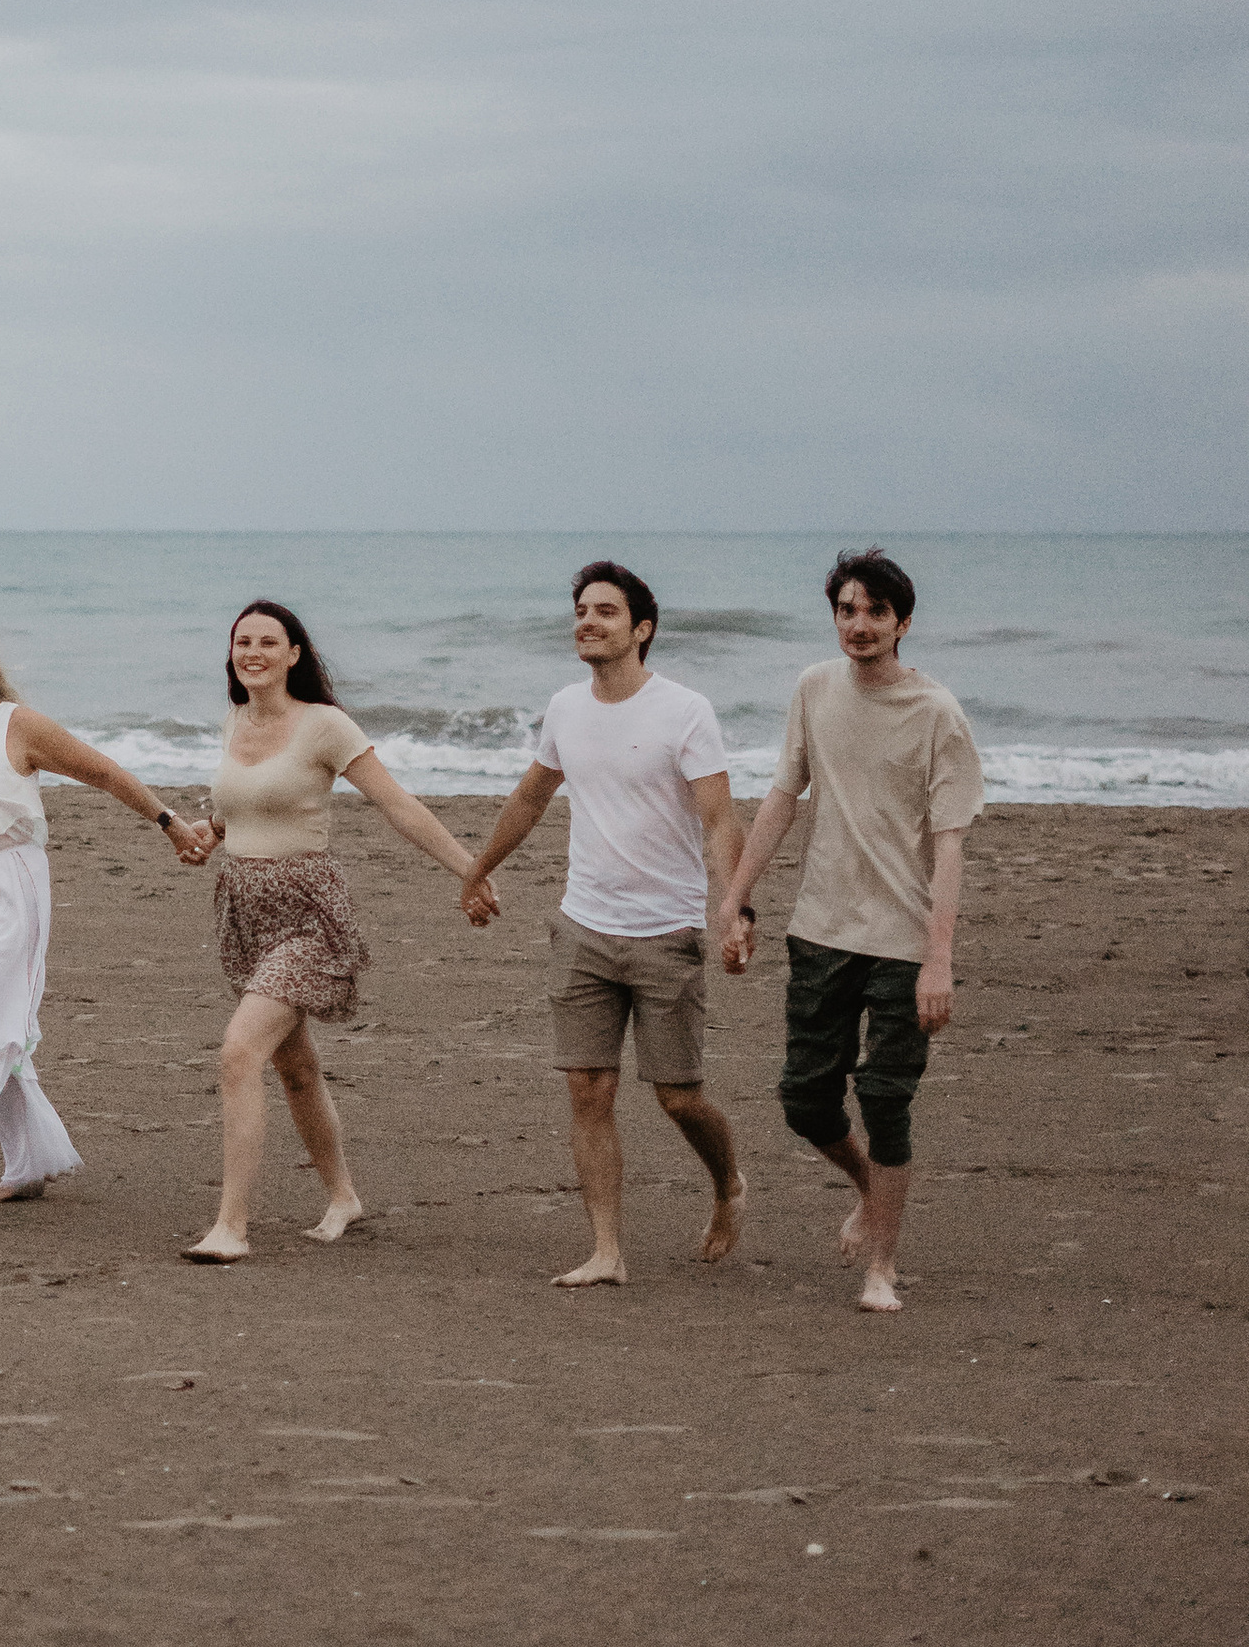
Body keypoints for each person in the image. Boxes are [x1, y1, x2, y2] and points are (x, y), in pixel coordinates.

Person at [182, 600, 499, 1266]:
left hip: (306, 915)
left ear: (294, 654)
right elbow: (233, 806)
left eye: (269, 642)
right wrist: (208, 835)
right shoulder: (234, 719)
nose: (254, 652)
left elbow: (396, 804)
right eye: (243, 642)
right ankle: (343, 1197)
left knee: (240, 1052)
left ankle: (231, 1227)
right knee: (296, 1070)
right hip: (244, 912)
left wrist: (471, 870)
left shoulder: (324, 725)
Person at [465, 562, 749, 1288]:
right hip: (583, 927)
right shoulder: (565, 707)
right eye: (581, 611)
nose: (587, 622)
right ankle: (606, 1251)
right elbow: (532, 798)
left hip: (666, 931)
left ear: (641, 629)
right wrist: (478, 867)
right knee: (588, 1091)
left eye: (606, 612)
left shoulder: (685, 711)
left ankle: (727, 1184)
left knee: (678, 1095)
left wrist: (735, 907)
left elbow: (718, 819)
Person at [717, 547, 983, 1314]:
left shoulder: (938, 713)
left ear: (904, 623)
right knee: (805, 1099)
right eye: (846, 610)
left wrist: (940, 959)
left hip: (903, 941)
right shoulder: (813, 688)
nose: (858, 624)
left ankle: (883, 1268)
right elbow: (781, 796)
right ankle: (870, 1186)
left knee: (886, 1097)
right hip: (822, 929)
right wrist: (735, 899)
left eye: (875, 611)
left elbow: (951, 841)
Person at [0, 617, 214, 1217]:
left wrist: (169, 824)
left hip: (4, 885)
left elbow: (102, 772)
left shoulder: (18, 725)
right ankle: (32, 1162)